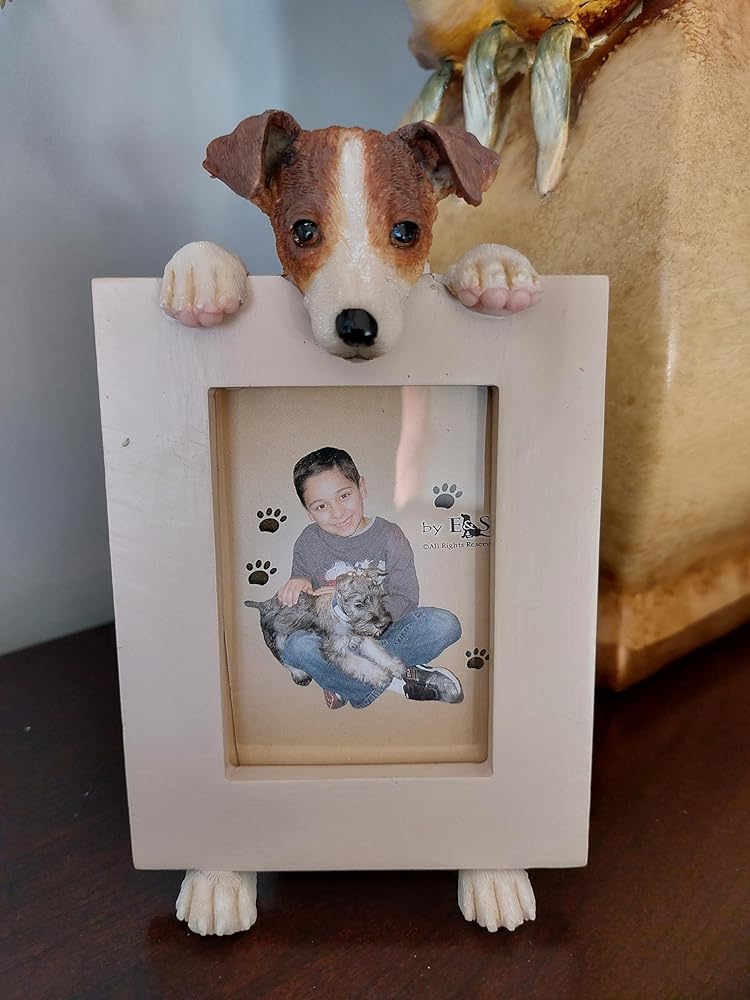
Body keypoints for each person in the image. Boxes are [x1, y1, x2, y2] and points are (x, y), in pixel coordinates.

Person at [277, 446, 463, 709]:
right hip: (337, 639)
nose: (337, 512)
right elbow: (303, 597)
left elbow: (406, 598)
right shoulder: (308, 541)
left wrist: (367, 618)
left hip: (385, 628)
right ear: (309, 512)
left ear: (361, 487)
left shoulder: (390, 535)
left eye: (344, 496)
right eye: (321, 506)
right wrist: (298, 583)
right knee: (296, 646)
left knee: (444, 624)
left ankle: (346, 682)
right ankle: (399, 678)